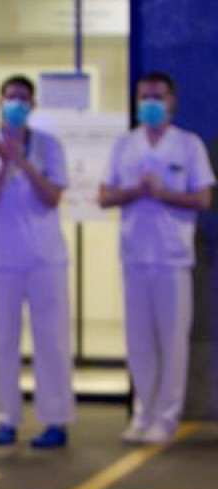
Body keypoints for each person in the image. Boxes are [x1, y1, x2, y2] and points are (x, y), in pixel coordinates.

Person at [99, 71, 215, 445]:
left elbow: (203, 198)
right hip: (135, 256)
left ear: (171, 101)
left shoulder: (188, 145)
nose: (150, 103)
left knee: (172, 341)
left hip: (172, 258)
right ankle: (142, 414)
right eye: (144, 97)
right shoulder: (125, 146)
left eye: (157, 97)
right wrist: (136, 190)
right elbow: (104, 196)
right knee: (139, 342)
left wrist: (164, 193)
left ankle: (166, 418)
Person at [0, 75, 74, 449]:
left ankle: (55, 419)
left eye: (23, 98)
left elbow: (52, 197)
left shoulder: (48, 145)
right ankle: (6, 419)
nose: (17, 103)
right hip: (0, 260)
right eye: (11, 97)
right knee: (3, 343)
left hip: (45, 259)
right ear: (0, 101)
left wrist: (22, 162)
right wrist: (2, 166)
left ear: (33, 105)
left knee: (52, 342)